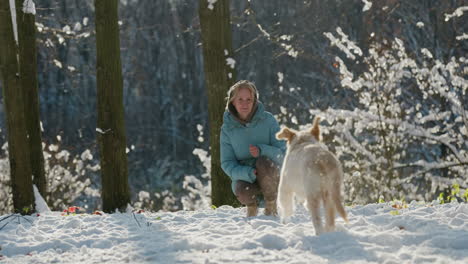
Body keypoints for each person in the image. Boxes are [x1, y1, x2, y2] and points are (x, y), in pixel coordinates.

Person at [220, 80, 286, 217]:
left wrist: (263, 150)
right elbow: (227, 163)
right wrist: (248, 172)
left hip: (271, 175)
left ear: (254, 101)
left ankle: (271, 206)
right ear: (232, 102)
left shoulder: (268, 120)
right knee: (241, 189)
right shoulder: (227, 129)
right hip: (247, 178)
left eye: (249, 99)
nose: (245, 104)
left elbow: (283, 153)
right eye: (240, 99)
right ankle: (251, 208)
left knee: (263, 162)